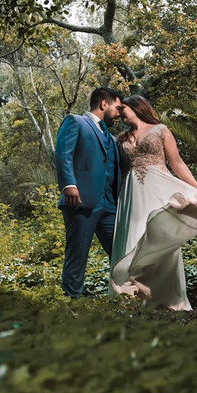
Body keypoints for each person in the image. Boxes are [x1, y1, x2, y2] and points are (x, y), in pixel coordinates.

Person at [110, 95, 197, 311]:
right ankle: (132, 299)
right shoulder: (121, 138)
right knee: (134, 236)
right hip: (132, 192)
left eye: (124, 108)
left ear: (137, 107)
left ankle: (166, 300)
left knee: (158, 236)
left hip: (157, 188)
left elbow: (177, 163)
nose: (120, 112)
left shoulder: (161, 129)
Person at [54, 87, 123, 298]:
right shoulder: (75, 121)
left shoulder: (111, 138)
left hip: (110, 205)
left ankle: (128, 297)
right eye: (117, 107)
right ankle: (73, 303)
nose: (119, 113)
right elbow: (62, 153)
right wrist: (69, 185)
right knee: (77, 254)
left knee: (122, 252)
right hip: (81, 201)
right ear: (104, 104)